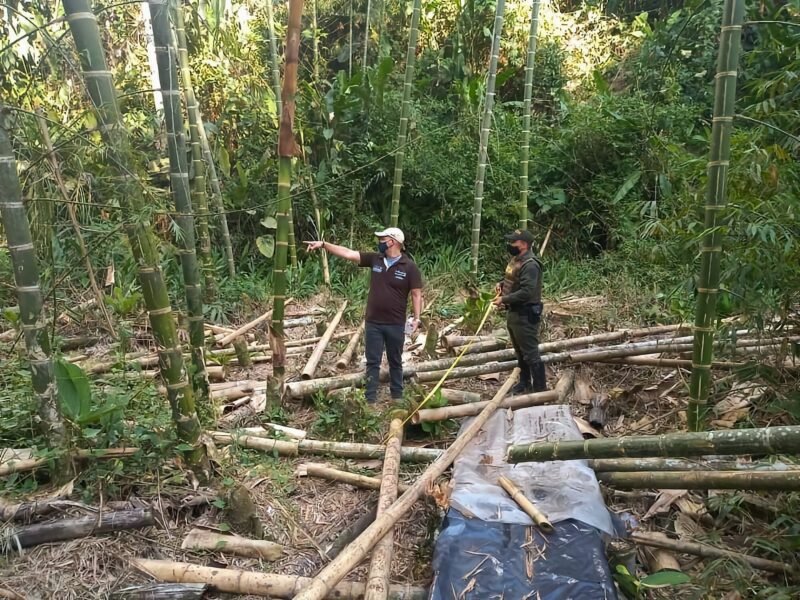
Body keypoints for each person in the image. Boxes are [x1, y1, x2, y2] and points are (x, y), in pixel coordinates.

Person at [305, 227, 423, 403]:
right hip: (373, 322)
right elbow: (348, 253)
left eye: (383, 239)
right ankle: (370, 399)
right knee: (372, 362)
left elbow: (416, 294)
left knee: (395, 361)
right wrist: (323, 244)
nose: (380, 243)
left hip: (396, 323)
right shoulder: (375, 259)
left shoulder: (410, 267)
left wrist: (417, 318)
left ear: (393, 242)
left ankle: (397, 397)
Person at [493, 229, 547, 394]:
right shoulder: (517, 260)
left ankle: (540, 389)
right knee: (520, 352)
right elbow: (515, 280)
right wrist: (501, 284)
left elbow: (527, 291)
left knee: (531, 353)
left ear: (523, 244)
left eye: (513, 242)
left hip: (526, 314)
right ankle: (524, 382)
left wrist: (504, 299)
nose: (510, 245)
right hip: (515, 313)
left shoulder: (531, 265)